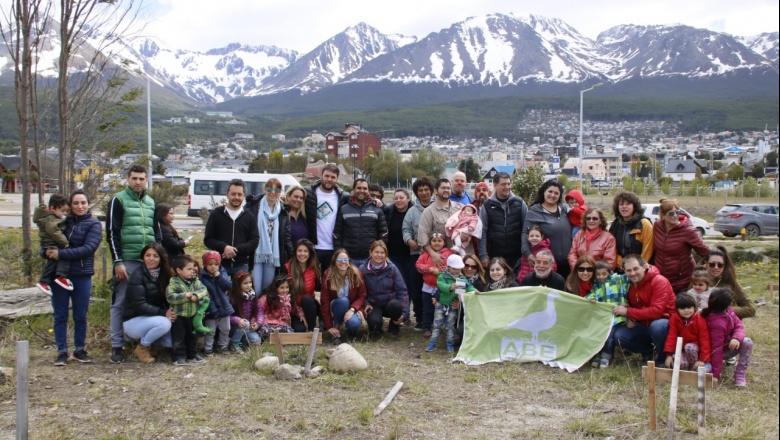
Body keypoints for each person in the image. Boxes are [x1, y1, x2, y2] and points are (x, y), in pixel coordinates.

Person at [106, 165, 158, 364]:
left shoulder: (150, 202)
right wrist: (118, 261)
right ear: (128, 179)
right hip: (127, 260)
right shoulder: (118, 200)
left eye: (141, 179)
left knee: (147, 301)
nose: (138, 182)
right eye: (134, 178)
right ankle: (116, 346)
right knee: (119, 303)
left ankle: (139, 343)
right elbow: (112, 232)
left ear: (146, 180)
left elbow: (154, 231)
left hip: (148, 261)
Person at [47, 190, 102, 366]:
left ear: (88, 204)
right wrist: (46, 252)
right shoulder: (63, 222)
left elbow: (88, 249)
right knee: (60, 315)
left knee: (80, 315)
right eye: (76, 203)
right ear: (70, 205)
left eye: (83, 203)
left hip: (81, 276)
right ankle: (61, 351)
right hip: (60, 276)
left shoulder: (93, 224)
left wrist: (60, 254)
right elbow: (47, 242)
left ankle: (79, 349)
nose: (80, 206)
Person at [612, 254, 676, 364]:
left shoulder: (659, 281)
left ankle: (662, 358)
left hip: (665, 324)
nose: (632, 273)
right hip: (643, 323)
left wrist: (628, 312)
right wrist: (630, 318)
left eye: (636, 269)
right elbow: (631, 305)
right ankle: (648, 352)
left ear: (645, 266)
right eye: (628, 270)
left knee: (657, 326)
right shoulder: (628, 284)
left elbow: (656, 311)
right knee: (618, 335)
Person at [123, 243, 174, 363]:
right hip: (134, 320)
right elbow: (139, 305)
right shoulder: (137, 275)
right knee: (164, 324)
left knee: (170, 342)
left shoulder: (166, 274)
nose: (151, 259)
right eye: (148, 255)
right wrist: (164, 313)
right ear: (143, 257)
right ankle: (142, 348)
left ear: (161, 258)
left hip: (154, 318)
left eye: (155, 256)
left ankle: (155, 346)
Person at [204, 178, 260, 277]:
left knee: (240, 293)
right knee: (219, 292)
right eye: (233, 194)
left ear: (244, 196)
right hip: (219, 265)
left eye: (239, 194)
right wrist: (224, 247)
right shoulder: (216, 214)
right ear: (227, 195)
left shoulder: (249, 216)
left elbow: (254, 240)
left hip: (242, 265)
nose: (236, 197)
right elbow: (208, 239)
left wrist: (235, 250)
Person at [245, 178, 293, 291]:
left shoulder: (283, 211)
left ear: (280, 192)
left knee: (268, 287)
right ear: (265, 189)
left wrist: (291, 255)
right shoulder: (253, 206)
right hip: (256, 253)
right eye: (270, 188)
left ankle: (263, 308)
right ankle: (254, 308)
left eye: (276, 189)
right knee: (255, 287)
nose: (273, 192)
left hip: (273, 254)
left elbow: (286, 236)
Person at [653, 198, 710, 293]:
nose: (675, 216)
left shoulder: (688, 231)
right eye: (671, 213)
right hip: (662, 280)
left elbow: (705, 251)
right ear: (662, 215)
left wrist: (710, 268)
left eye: (677, 212)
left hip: (682, 282)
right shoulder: (657, 226)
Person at [702, 288, 754, 387]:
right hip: (713, 353)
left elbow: (738, 325)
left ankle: (740, 374)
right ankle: (710, 368)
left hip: (728, 347)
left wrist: (736, 338)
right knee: (706, 370)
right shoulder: (716, 322)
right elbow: (716, 349)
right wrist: (716, 374)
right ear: (727, 304)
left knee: (747, 342)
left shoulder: (730, 311)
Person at [402, 177, 435, 331]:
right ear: (416, 193)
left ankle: (435, 318)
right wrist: (409, 241)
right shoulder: (412, 211)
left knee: (435, 287)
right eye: (420, 190)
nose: (424, 193)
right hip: (416, 255)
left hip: (435, 256)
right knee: (417, 289)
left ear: (431, 191)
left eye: (426, 189)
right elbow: (406, 230)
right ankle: (420, 318)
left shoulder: (437, 208)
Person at [333, 178, 387, 268]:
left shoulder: (377, 210)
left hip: (370, 259)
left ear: (368, 191)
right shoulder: (344, 209)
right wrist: (340, 253)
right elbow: (337, 234)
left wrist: (377, 253)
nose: (362, 191)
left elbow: (384, 233)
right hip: (349, 259)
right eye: (359, 188)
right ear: (353, 190)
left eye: (365, 188)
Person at [479, 172, 527, 271]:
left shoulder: (520, 203)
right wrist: (483, 255)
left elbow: (526, 229)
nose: (507, 187)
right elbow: (482, 232)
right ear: (495, 185)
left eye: (508, 184)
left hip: (517, 256)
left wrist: (526, 252)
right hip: (495, 257)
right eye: (503, 184)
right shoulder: (487, 206)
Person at [523, 179, 571, 278]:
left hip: (567, 263)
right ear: (544, 192)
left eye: (556, 193)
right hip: (547, 264)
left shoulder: (564, 210)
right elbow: (525, 233)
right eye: (550, 191)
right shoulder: (534, 211)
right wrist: (527, 253)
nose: (552, 195)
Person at [428, 254, 477, 353]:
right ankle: (432, 343)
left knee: (450, 325)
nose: (458, 271)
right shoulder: (443, 275)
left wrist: (474, 291)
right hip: (441, 304)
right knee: (437, 324)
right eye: (455, 268)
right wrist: (450, 287)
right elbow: (440, 285)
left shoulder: (461, 278)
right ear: (448, 267)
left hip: (452, 306)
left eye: (459, 268)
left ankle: (449, 344)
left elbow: (468, 287)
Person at [166, 254, 208, 366]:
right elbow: (170, 297)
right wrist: (185, 296)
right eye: (189, 269)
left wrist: (196, 295)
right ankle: (178, 356)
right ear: (179, 270)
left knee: (192, 336)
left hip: (192, 315)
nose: (192, 271)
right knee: (179, 337)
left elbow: (204, 290)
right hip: (179, 316)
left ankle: (192, 354)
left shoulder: (195, 281)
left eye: (193, 268)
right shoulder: (173, 283)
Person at [360, 241, 409, 337]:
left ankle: (394, 325)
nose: (379, 255)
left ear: (386, 254)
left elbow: (402, 291)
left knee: (395, 305)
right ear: (370, 253)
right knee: (374, 323)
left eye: (382, 253)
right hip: (373, 304)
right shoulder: (362, 269)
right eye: (376, 252)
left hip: (390, 303)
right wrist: (366, 304)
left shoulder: (392, 268)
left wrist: (404, 313)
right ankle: (376, 329)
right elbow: (360, 292)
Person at [305, 163, 348, 271]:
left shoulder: (343, 197)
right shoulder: (308, 193)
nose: (329, 179)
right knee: (311, 281)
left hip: (333, 248)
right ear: (321, 176)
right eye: (327, 176)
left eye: (333, 177)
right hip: (313, 247)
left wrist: (377, 202)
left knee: (329, 283)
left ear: (337, 179)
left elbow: (361, 200)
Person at [320, 249, 368, 345]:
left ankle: (350, 332)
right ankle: (336, 330)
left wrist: (352, 309)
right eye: (339, 260)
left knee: (353, 324)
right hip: (337, 306)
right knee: (343, 301)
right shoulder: (328, 274)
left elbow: (362, 295)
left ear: (349, 261)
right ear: (334, 261)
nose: (343, 262)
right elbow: (324, 300)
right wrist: (329, 326)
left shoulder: (356, 273)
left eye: (345, 259)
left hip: (353, 307)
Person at [586, 261, 629, 368]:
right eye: (598, 274)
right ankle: (597, 354)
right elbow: (591, 294)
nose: (601, 277)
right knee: (600, 335)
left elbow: (629, 277)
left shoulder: (618, 279)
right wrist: (591, 298)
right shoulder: (596, 285)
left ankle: (606, 356)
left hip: (617, 317)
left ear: (609, 272)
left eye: (604, 274)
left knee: (609, 336)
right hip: (603, 317)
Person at [418, 178, 465, 266]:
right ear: (436, 190)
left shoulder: (461, 208)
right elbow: (422, 238)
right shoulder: (428, 212)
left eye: (448, 188)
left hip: (461, 258)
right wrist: (433, 254)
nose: (446, 190)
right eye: (443, 188)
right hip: (441, 260)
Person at [415, 233, 453, 337]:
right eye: (434, 241)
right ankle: (426, 327)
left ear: (444, 242)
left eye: (439, 241)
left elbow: (450, 268)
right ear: (430, 242)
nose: (436, 243)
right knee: (427, 309)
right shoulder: (425, 254)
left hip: (441, 287)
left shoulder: (448, 254)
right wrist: (430, 269)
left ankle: (442, 326)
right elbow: (418, 266)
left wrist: (439, 272)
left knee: (442, 308)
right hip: (427, 287)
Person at [34, 194, 73, 294]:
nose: (64, 214)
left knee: (53, 261)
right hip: (51, 242)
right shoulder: (50, 220)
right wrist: (65, 243)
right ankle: (59, 276)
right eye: (62, 211)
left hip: (49, 242)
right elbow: (55, 232)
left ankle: (48, 280)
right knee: (63, 256)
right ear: (52, 208)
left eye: (66, 211)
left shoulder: (50, 216)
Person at [663, 293, 711, 372]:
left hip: (695, 349)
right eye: (682, 308)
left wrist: (702, 359)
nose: (686, 310)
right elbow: (672, 336)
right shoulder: (674, 318)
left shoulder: (700, 320)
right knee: (681, 365)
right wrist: (669, 355)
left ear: (694, 307)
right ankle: (686, 370)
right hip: (681, 349)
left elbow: (705, 340)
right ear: (677, 309)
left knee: (689, 347)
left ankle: (694, 366)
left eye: (689, 307)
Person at [200, 251, 235, 356]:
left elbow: (228, 286)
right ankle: (208, 348)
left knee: (226, 328)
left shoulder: (222, 273)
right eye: (210, 264)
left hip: (224, 306)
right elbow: (206, 296)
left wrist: (218, 276)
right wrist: (212, 309)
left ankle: (223, 345)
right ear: (205, 264)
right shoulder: (202, 278)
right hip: (211, 308)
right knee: (210, 330)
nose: (213, 267)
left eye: (216, 264)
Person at [704, 246, 755, 319]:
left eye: (720, 265)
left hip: (725, 325)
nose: (716, 267)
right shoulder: (697, 279)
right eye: (712, 264)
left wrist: (726, 310)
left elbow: (750, 309)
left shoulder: (730, 281)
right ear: (706, 263)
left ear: (724, 265)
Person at [608, 191, 653, 271]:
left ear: (634, 206)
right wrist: (621, 264)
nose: (624, 207)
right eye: (621, 204)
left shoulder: (644, 223)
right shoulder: (615, 224)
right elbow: (612, 248)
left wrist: (638, 267)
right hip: (622, 270)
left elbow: (648, 249)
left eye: (628, 204)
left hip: (640, 270)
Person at [284, 239, 321, 331]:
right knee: (300, 330)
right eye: (299, 251)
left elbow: (318, 287)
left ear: (310, 253)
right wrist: (297, 311)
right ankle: (302, 325)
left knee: (307, 299)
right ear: (295, 252)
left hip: (309, 306)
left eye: (305, 251)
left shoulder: (314, 269)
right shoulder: (287, 267)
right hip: (293, 307)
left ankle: (312, 330)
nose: (302, 254)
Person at [257, 274, 306, 340]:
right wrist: (257, 321)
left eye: (287, 287)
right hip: (268, 323)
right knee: (266, 331)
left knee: (289, 332)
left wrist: (301, 314)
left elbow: (296, 308)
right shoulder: (267, 298)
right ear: (276, 288)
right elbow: (258, 309)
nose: (285, 290)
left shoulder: (289, 298)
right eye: (282, 288)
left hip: (283, 325)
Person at [383, 188, 412, 291]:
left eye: (401, 198)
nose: (398, 200)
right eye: (395, 198)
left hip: (411, 254)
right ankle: (403, 305)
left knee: (411, 283)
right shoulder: (388, 212)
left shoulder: (413, 211)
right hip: (394, 255)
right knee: (400, 283)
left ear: (408, 199)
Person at [228, 271, 262, 352]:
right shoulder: (232, 298)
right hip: (235, 327)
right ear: (238, 284)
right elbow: (227, 316)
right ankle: (234, 343)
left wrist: (258, 323)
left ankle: (241, 341)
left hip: (248, 327)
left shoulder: (253, 296)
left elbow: (260, 311)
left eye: (250, 282)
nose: (249, 285)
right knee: (245, 323)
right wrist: (237, 320)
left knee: (256, 341)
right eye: (245, 283)